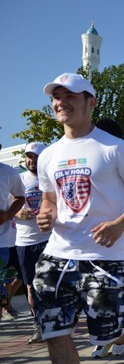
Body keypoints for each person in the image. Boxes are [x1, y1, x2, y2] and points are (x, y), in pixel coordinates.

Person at [34, 72, 124, 364]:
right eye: (57, 97)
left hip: (104, 255)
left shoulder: (114, 148)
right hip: (57, 253)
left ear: (91, 102)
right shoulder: (49, 155)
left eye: (70, 96)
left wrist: (120, 224)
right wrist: (46, 214)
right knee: (54, 329)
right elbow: (49, 199)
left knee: (105, 330)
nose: (61, 102)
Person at [14, 142, 50, 342]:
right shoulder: (19, 179)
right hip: (25, 240)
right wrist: (17, 212)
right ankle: (38, 324)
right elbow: (10, 203)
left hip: (48, 238)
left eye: (35, 157)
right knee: (30, 285)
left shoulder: (50, 179)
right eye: (28, 156)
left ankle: (56, 321)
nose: (31, 160)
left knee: (51, 282)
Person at [0, 142, 26, 320]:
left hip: (2, 240)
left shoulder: (9, 173)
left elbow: (20, 197)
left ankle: (4, 302)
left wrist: (8, 214)